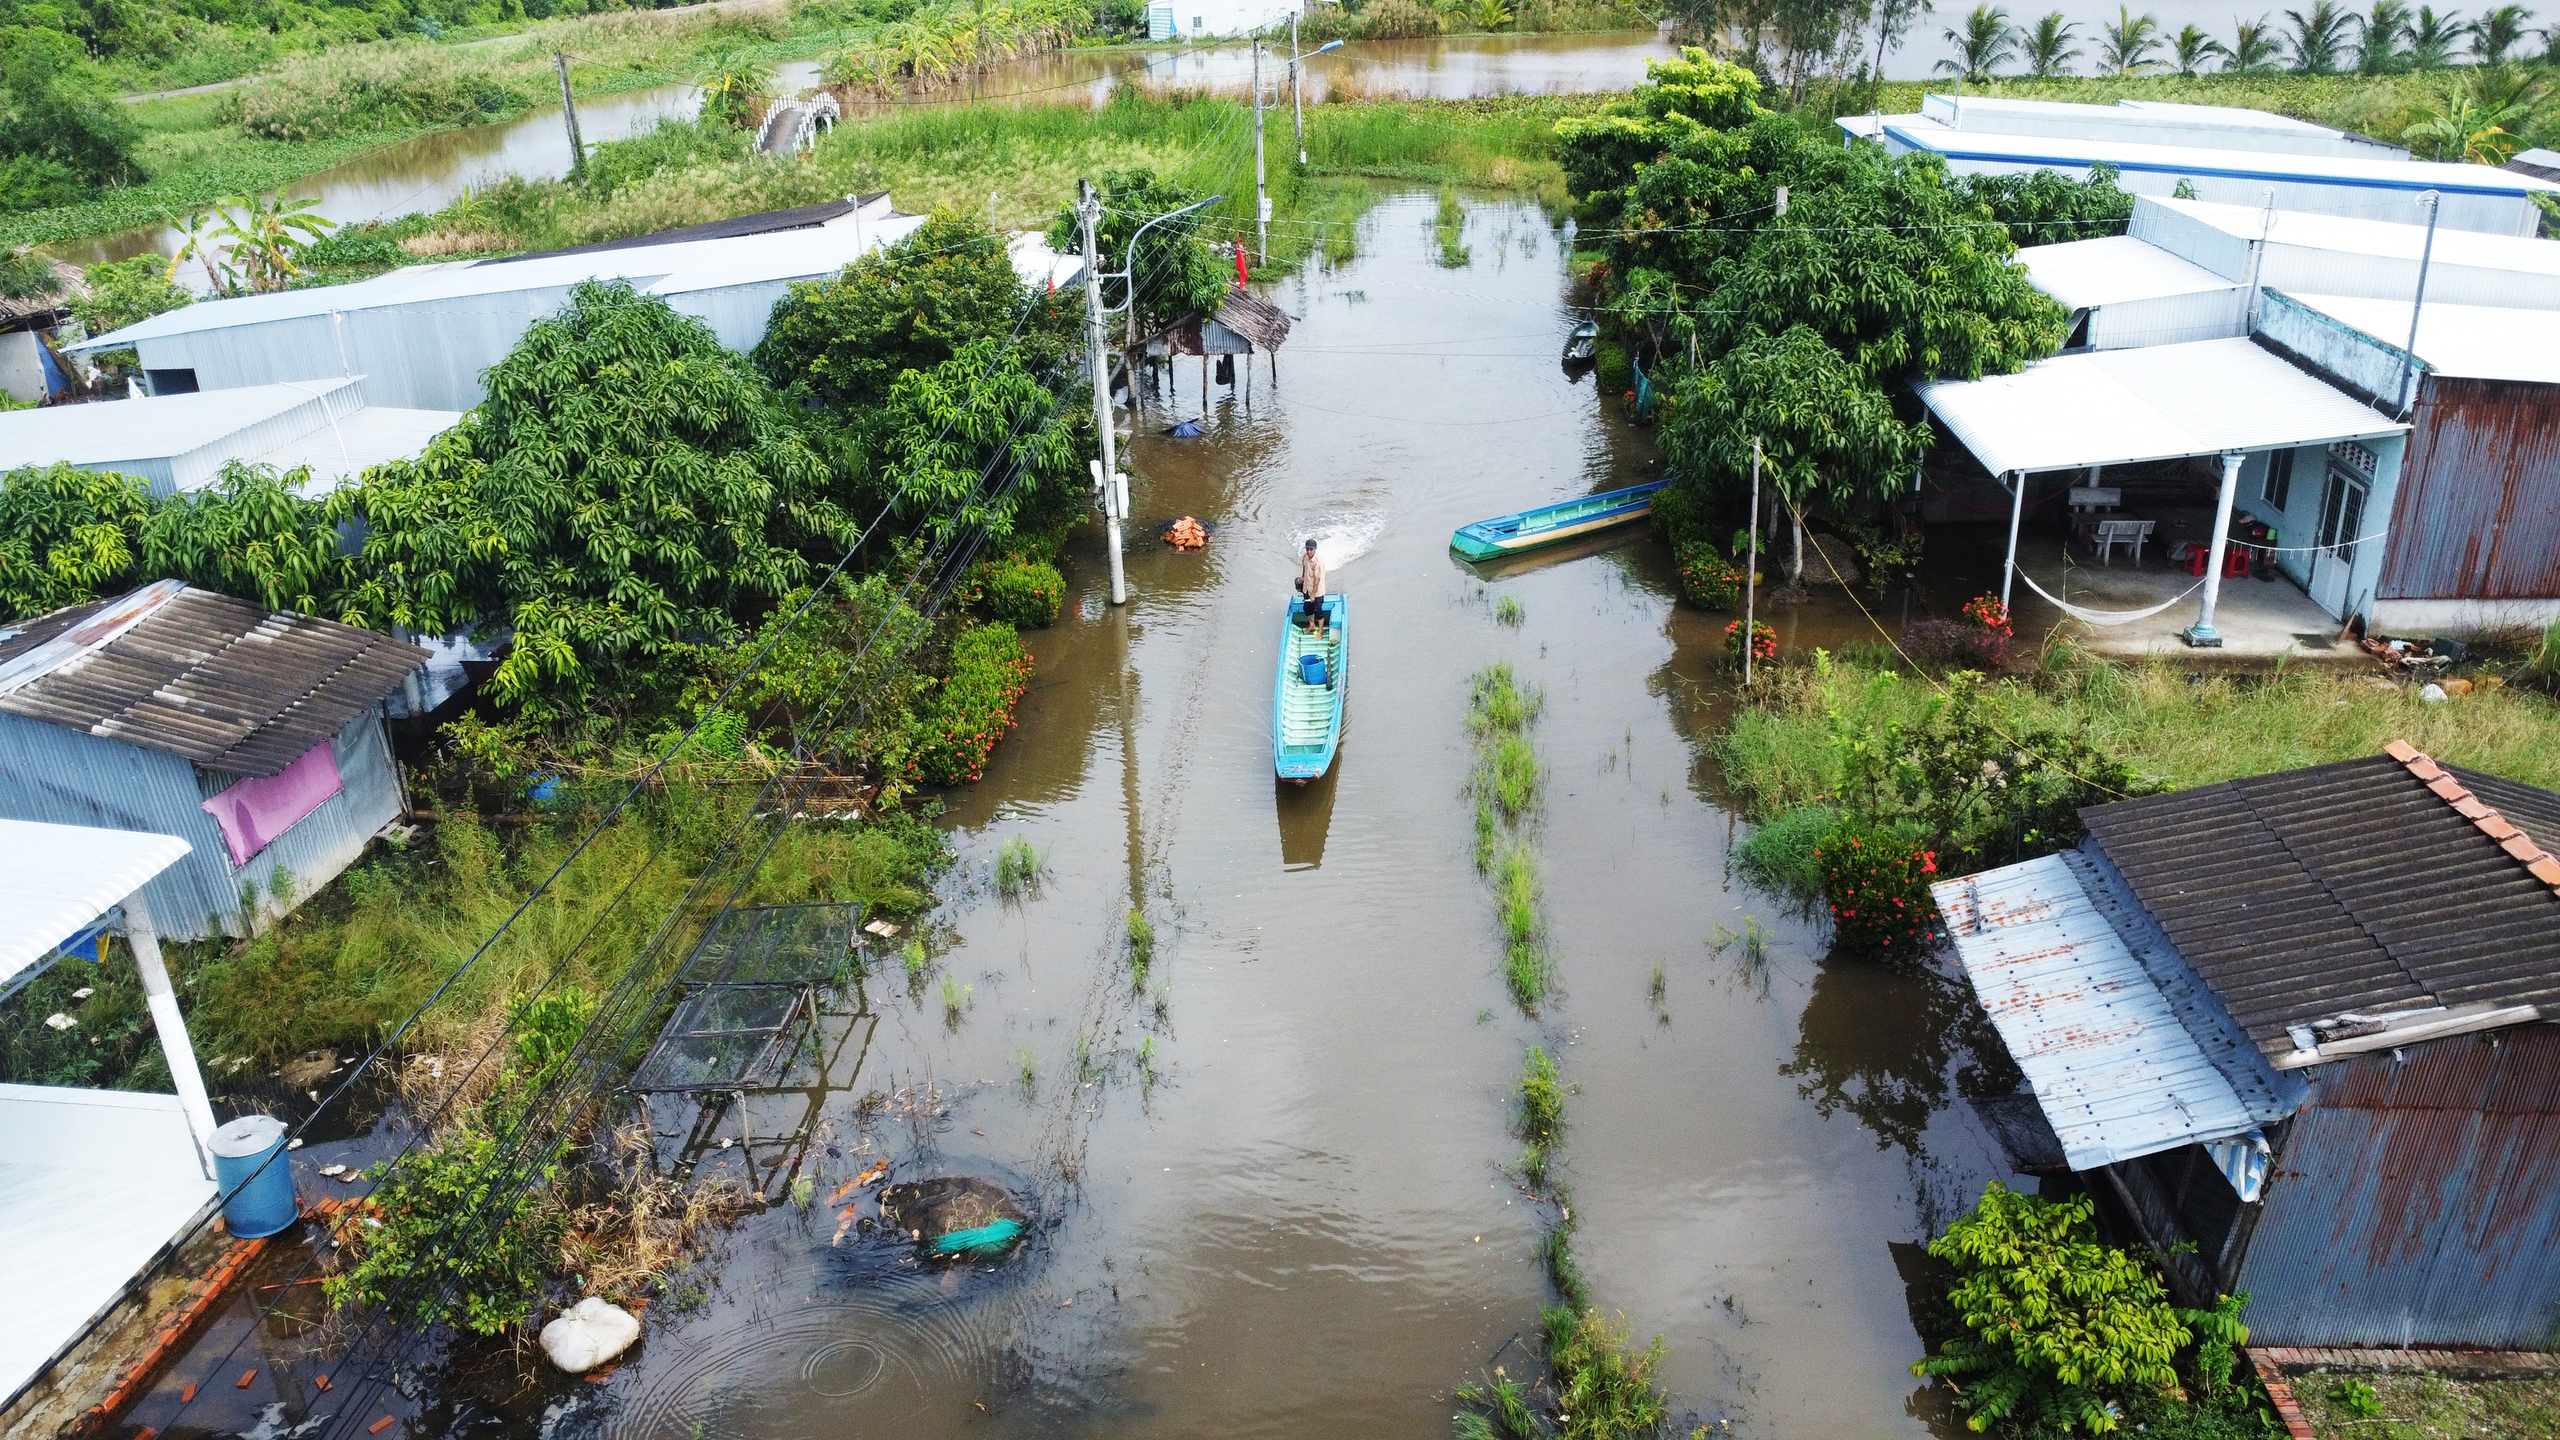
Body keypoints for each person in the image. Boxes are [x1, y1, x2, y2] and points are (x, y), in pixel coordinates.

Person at [1294, 538, 1328, 632]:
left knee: (1318, 611)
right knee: (1307, 608)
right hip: (1307, 588)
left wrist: (1313, 594)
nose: (1309, 551)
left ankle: (1321, 630)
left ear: (1315, 549)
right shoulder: (1305, 557)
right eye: (1307, 549)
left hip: (1317, 591)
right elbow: (1304, 568)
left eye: (1311, 549)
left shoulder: (1319, 562)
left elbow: (1317, 579)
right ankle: (1312, 625)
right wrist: (1302, 578)